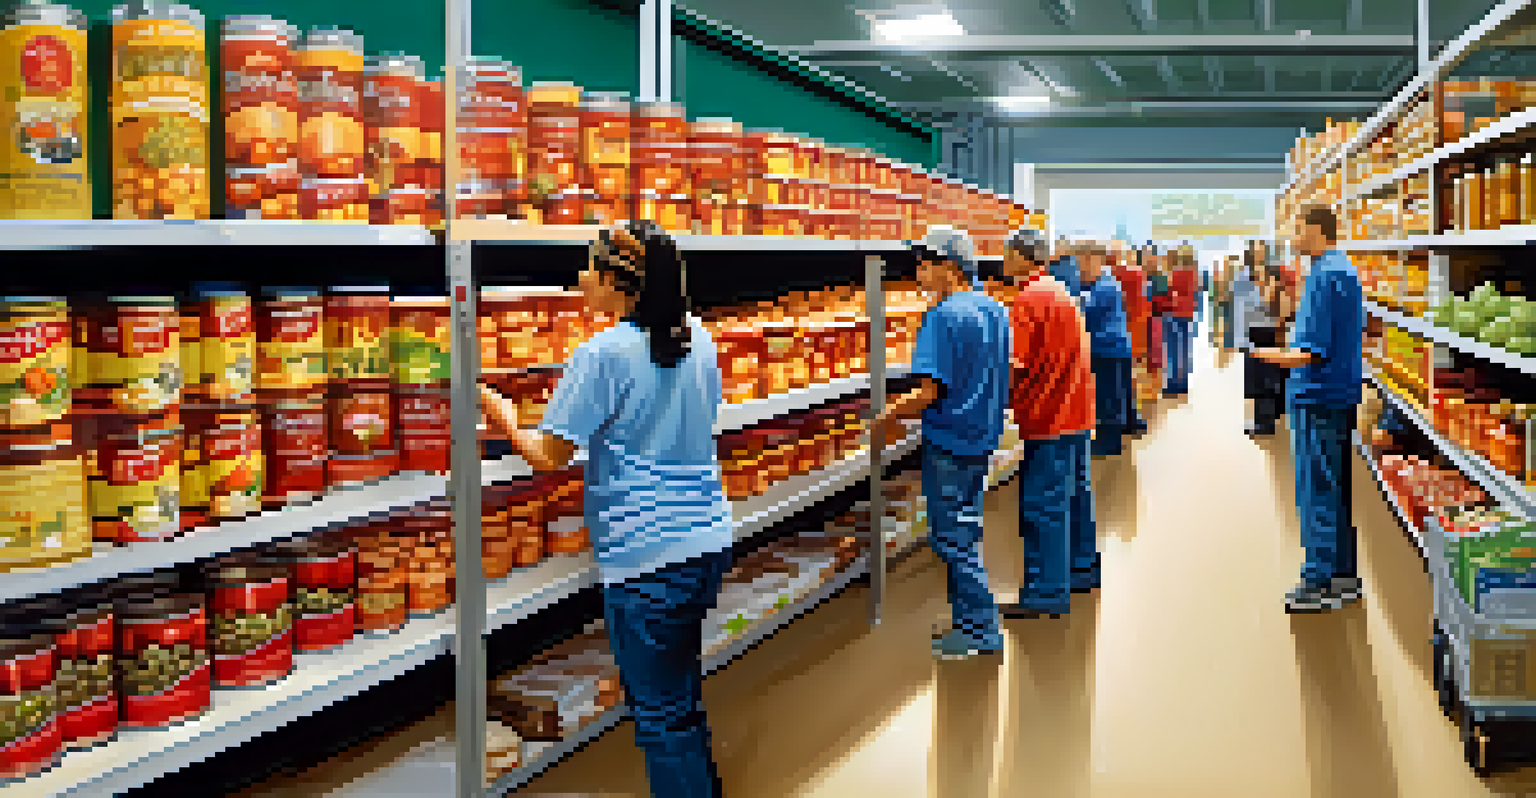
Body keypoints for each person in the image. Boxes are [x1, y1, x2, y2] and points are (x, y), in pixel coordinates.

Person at [478, 220, 730, 796]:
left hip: (648, 558)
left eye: (589, 269)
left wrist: (504, 418)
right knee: (682, 699)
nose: (580, 279)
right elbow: (695, 413)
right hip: (706, 540)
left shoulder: (603, 353)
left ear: (621, 283)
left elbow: (548, 454)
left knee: (661, 718)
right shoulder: (697, 335)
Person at [874, 226, 1010, 660]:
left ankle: (981, 631)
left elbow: (930, 392)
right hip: (982, 437)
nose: (919, 272)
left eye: (926, 264)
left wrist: (888, 415)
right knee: (967, 529)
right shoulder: (994, 310)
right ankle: (968, 622)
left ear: (951, 269)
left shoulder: (943, 316)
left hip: (950, 442)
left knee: (952, 539)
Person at [1252, 206, 1365, 613]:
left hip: (1317, 394)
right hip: (1340, 392)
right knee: (1336, 488)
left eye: (1298, 229)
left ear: (1316, 230)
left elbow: (1309, 351)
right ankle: (1345, 575)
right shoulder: (1345, 270)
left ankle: (1319, 580)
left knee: (1316, 488)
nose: (1293, 235)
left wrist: (1266, 355)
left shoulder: (1323, 275)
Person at [1001, 228, 1097, 618]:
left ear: (1024, 257)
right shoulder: (1061, 293)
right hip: (1076, 412)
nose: (1004, 261)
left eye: (1008, 254)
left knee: (1043, 505)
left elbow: (1014, 365)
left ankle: (1045, 591)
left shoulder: (1027, 300)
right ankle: (1081, 569)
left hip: (1048, 416)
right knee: (1076, 498)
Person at [1078, 243, 1135, 457]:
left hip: (1107, 349)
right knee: (1117, 394)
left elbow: (1086, 314)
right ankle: (1121, 429)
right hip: (1111, 348)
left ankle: (1109, 442)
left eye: (1082, 261)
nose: (1080, 269)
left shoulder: (1105, 287)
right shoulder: (1102, 284)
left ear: (1094, 260)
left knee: (1107, 398)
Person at [1236, 245, 1285, 436]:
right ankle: (1262, 419)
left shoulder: (1270, 274)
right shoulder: (1249, 276)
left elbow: (1269, 300)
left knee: (1265, 377)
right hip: (1254, 329)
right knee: (1257, 378)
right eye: (1255, 252)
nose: (1258, 255)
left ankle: (1265, 422)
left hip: (1266, 329)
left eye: (1261, 252)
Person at [1108, 244, 1150, 436]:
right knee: (1128, 379)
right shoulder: (1135, 274)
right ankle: (1130, 418)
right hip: (1132, 331)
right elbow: (1141, 305)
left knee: (1118, 382)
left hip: (1119, 333)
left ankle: (1124, 419)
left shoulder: (1107, 277)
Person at [1163, 248, 1197, 396]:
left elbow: (1171, 291)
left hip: (1176, 312)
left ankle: (1173, 383)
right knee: (1183, 349)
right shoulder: (1193, 273)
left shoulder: (1177, 272)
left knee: (1173, 351)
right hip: (1187, 313)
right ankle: (1183, 383)